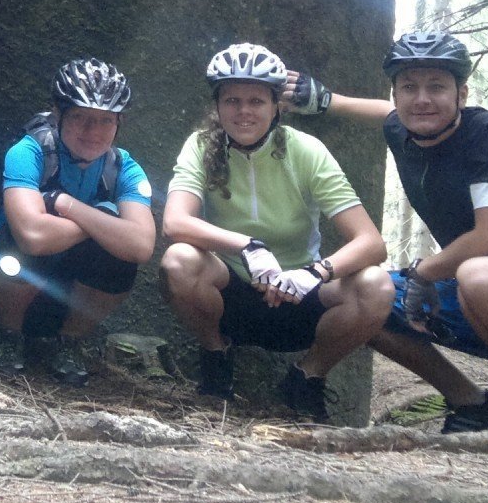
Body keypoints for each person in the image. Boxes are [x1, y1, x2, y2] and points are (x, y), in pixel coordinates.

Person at [289, 31, 488, 442]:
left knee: (480, 272)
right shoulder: (402, 128)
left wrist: (424, 273)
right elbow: (386, 114)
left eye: (437, 87)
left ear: (462, 94)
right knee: (368, 294)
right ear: (397, 94)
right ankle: (472, 404)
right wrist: (329, 101)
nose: (422, 99)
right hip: (477, 298)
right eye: (409, 88)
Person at [159, 43, 392, 422]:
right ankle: (217, 358)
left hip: (301, 296)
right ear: (217, 106)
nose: (244, 111)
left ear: (276, 106)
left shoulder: (306, 150)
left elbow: (371, 242)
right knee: (179, 261)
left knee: (376, 286)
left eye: (256, 101)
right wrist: (248, 247)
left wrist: (314, 273)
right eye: (232, 100)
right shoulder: (201, 146)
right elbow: (175, 223)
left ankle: (307, 378)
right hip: (233, 292)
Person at [0, 58, 156, 386]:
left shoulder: (124, 168)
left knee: (120, 260)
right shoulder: (28, 152)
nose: (93, 132)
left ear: (118, 122)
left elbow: (140, 246)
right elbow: (32, 236)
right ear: (58, 113)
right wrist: (105, 220)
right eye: (81, 118)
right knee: (24, 247)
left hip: (58, 302)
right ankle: (8, 335)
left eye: (105, 121)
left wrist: (65, 205)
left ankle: (69, 342)